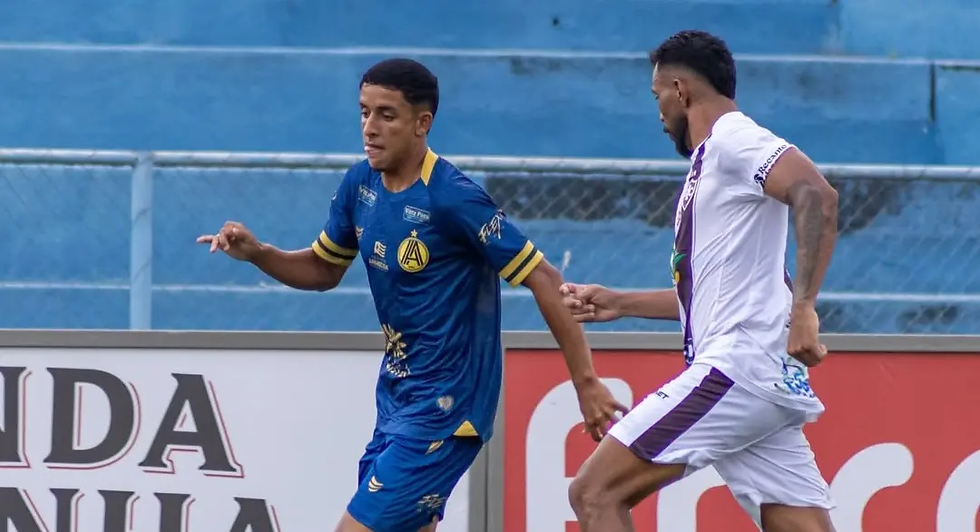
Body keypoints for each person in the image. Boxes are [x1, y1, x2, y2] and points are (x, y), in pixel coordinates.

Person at [197, 58, 626, 532]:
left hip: (447, 405)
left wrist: (586, 383)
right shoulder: (359, 185)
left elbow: (544, 277)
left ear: (422, 123)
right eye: (364, 112)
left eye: (387, 115)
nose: (370, 127)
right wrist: (259, 253)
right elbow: (323, 269)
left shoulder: (453, 197)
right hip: (397, 398)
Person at [561, 31, 840, 532]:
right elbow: (719, 291)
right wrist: (620, 303)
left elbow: (816, 194)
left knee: (594, 492)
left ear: (680, 90)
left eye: (657, 97)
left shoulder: (733, 139)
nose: (659, 112)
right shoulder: (713, 164)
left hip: (738, 368)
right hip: (765, 378)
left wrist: (804, 307)